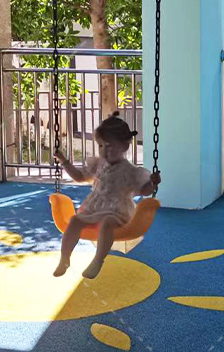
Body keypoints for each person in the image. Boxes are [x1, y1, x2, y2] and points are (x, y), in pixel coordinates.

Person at [54, 112, 160, 279]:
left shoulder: (131, 171)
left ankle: (98, 260)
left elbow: (144, 190)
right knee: (74, 221)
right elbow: (79, 177)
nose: (104, 150)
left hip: (118, 211)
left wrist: (152, 183)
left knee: (107, 222)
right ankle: (64, 259)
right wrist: (64, 161)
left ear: (125, 146)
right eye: (101, 145)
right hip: (94, 208)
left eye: (110, 146)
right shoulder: (98, 164)